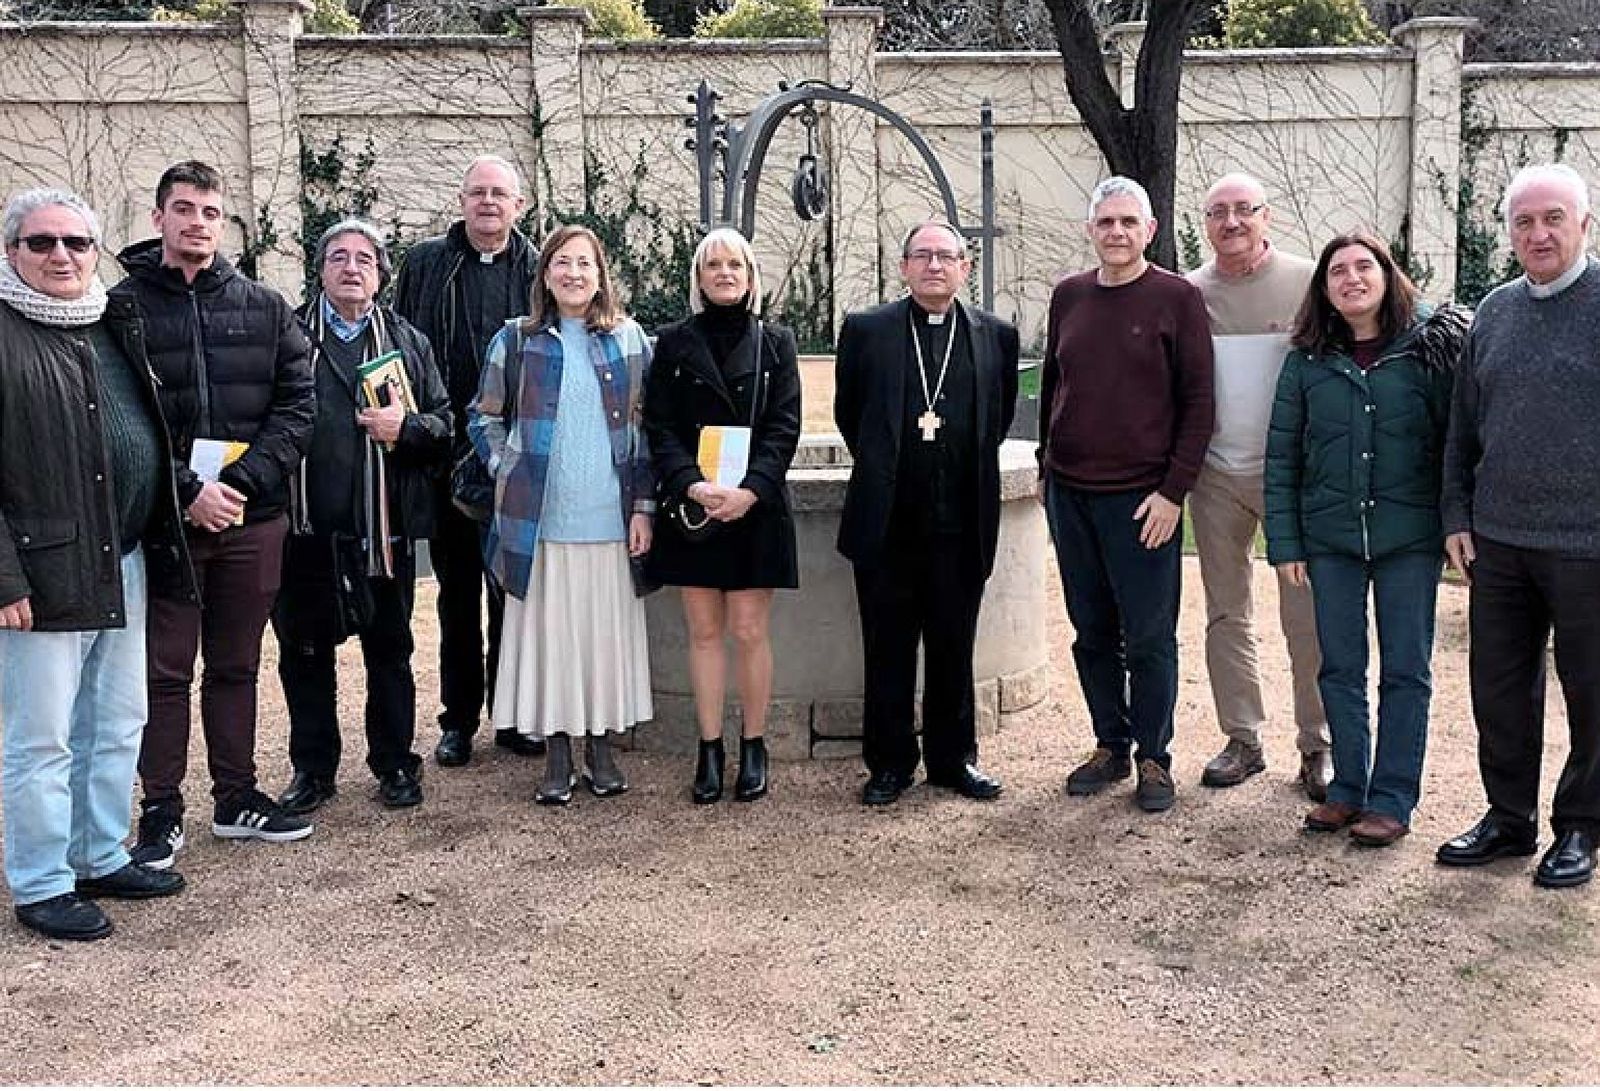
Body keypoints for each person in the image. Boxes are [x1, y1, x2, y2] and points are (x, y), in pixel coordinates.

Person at [0, 188, 194, 940]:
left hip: (125, 557)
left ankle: (98, 850)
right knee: (42, 735)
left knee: (117, 720)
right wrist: (5, 577)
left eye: (77, 244)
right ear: (13, 251)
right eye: (42, 243)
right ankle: (44, 881)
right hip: (41, 575)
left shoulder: (109, 323)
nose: (61, 257)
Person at [113, 161, 316, 868]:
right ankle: (161, 810)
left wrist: (240, 481)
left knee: (236, 662)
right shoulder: (122, 308)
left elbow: (299, 405)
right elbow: (117, 419)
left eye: (209, 210)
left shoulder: (265, 306)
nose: (197, 221)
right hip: (164, 522)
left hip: (251, 520)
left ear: (223, 221)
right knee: (164, 671)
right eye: (184, 208)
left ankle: (236, 797)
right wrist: (183, 489)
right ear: (158, 219)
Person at [1264, 232, 1466, 847]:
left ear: (1387, 275)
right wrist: (1286, 542)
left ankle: (1393, 797)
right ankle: (1349, 785)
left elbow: (1455, 444)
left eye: (1364, 267)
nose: (1352, 279)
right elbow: (1282, 456)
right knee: (1340, 667)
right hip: (1330, 540)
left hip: (1409, 537)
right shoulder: (1307, 361)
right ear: (1324, 289)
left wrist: (1457, 519)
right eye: (1338, 272)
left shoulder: (1427, 350)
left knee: (1406, 669)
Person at [1436, 163, 1600, 888]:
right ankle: (1509, 817)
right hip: (1499, 540)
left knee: (1593, 690)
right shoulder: (1495, 311)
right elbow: (1462, 428)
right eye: (1524, 222)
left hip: (1589, 543)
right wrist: (1456, 514)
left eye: (1553, 219)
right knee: (1499, 687)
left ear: (1584, 224)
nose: (1538, 234)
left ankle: (1583, 826)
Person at [1040, 176, 1214, 814]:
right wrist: (1044, 464)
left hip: (1143, 501)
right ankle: (1110, 744)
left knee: (1148, 635)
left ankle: (1154, 756)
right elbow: (1055, 384)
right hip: (1071, 495)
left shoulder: (1177, 299)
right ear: (1091, 230)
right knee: (1090, 631)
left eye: (1127, 222)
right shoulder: (1069, 296)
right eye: (1105, 222)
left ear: (1150, 230)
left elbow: (1199, 403)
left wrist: (1174, 493)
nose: (1115, 232)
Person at [834, 218, 1020, 807]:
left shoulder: (997, 334)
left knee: (952, 644)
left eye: (947, 256)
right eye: (923, 256)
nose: (935, 266)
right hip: (889, 521)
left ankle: (952, 760)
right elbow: (850, 414)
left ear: (965, 266)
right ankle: (889, 764)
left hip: (961, 520)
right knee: (886, 646)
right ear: (904, 266)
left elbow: (998, 415)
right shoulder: (867, 331)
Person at [271, 220, 453, 816]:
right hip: (305, 531)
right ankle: (313, 769)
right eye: (339, 258)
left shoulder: (408, 341)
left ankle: (396, 764)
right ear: (320, 270)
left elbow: (445, 425)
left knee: (391, 650)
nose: (352, 268)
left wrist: (410, 429)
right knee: (304, 654)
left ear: (380, 273)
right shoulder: (290, 337)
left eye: (365, 260)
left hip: (383, 528)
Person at [469, 224, 655, 805]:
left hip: (609, 517)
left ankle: (600, 748)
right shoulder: (516, 341)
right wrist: (507, 467)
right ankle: (555, 752)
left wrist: (644, 507)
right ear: (546, 274)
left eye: (585, 264)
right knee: (551, 640)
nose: (574, 273)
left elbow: (649, 431)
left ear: (600, 276)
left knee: (599, 640)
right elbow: (484, 415)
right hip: (540, 522)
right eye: (563, 263)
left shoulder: (629, 340)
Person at [1187, 173, 1331, 800]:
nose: (1232, 222)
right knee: (1225, 611)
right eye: (1218, 212)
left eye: (1244, 210)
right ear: (1205, 223)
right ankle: (1242, 737)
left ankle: (1318, 743)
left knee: (1307, 616)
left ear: (1266, 216)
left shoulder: (1307, 282)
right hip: (1215, 476)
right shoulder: (1189, 293)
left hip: (1292, 476)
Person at [644, 227, 802, 804]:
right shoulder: (672, 342)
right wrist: (691, 484)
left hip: (754, 509)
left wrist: (751, 491)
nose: (724, 273)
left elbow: (785, 427)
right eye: (713, 264)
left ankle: (754, 745)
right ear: (699, 277)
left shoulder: (777, 342)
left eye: (735, 263)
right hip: (697, 508)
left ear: (751, 274)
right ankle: (709, 749)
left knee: (748, 630)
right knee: (704, 633)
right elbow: (658, 427)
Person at [393, 154, 540, 768]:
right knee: (455, 596)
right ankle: (457, 720)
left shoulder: (539, 267)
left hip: (519, 463)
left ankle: (512, 714)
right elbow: (399, 345)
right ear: (461, 201)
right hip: (447, 456)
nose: (487, 203)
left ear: (518, 205)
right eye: (477, 192)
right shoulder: (427, 265)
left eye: (499, 194)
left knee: (515, 593)